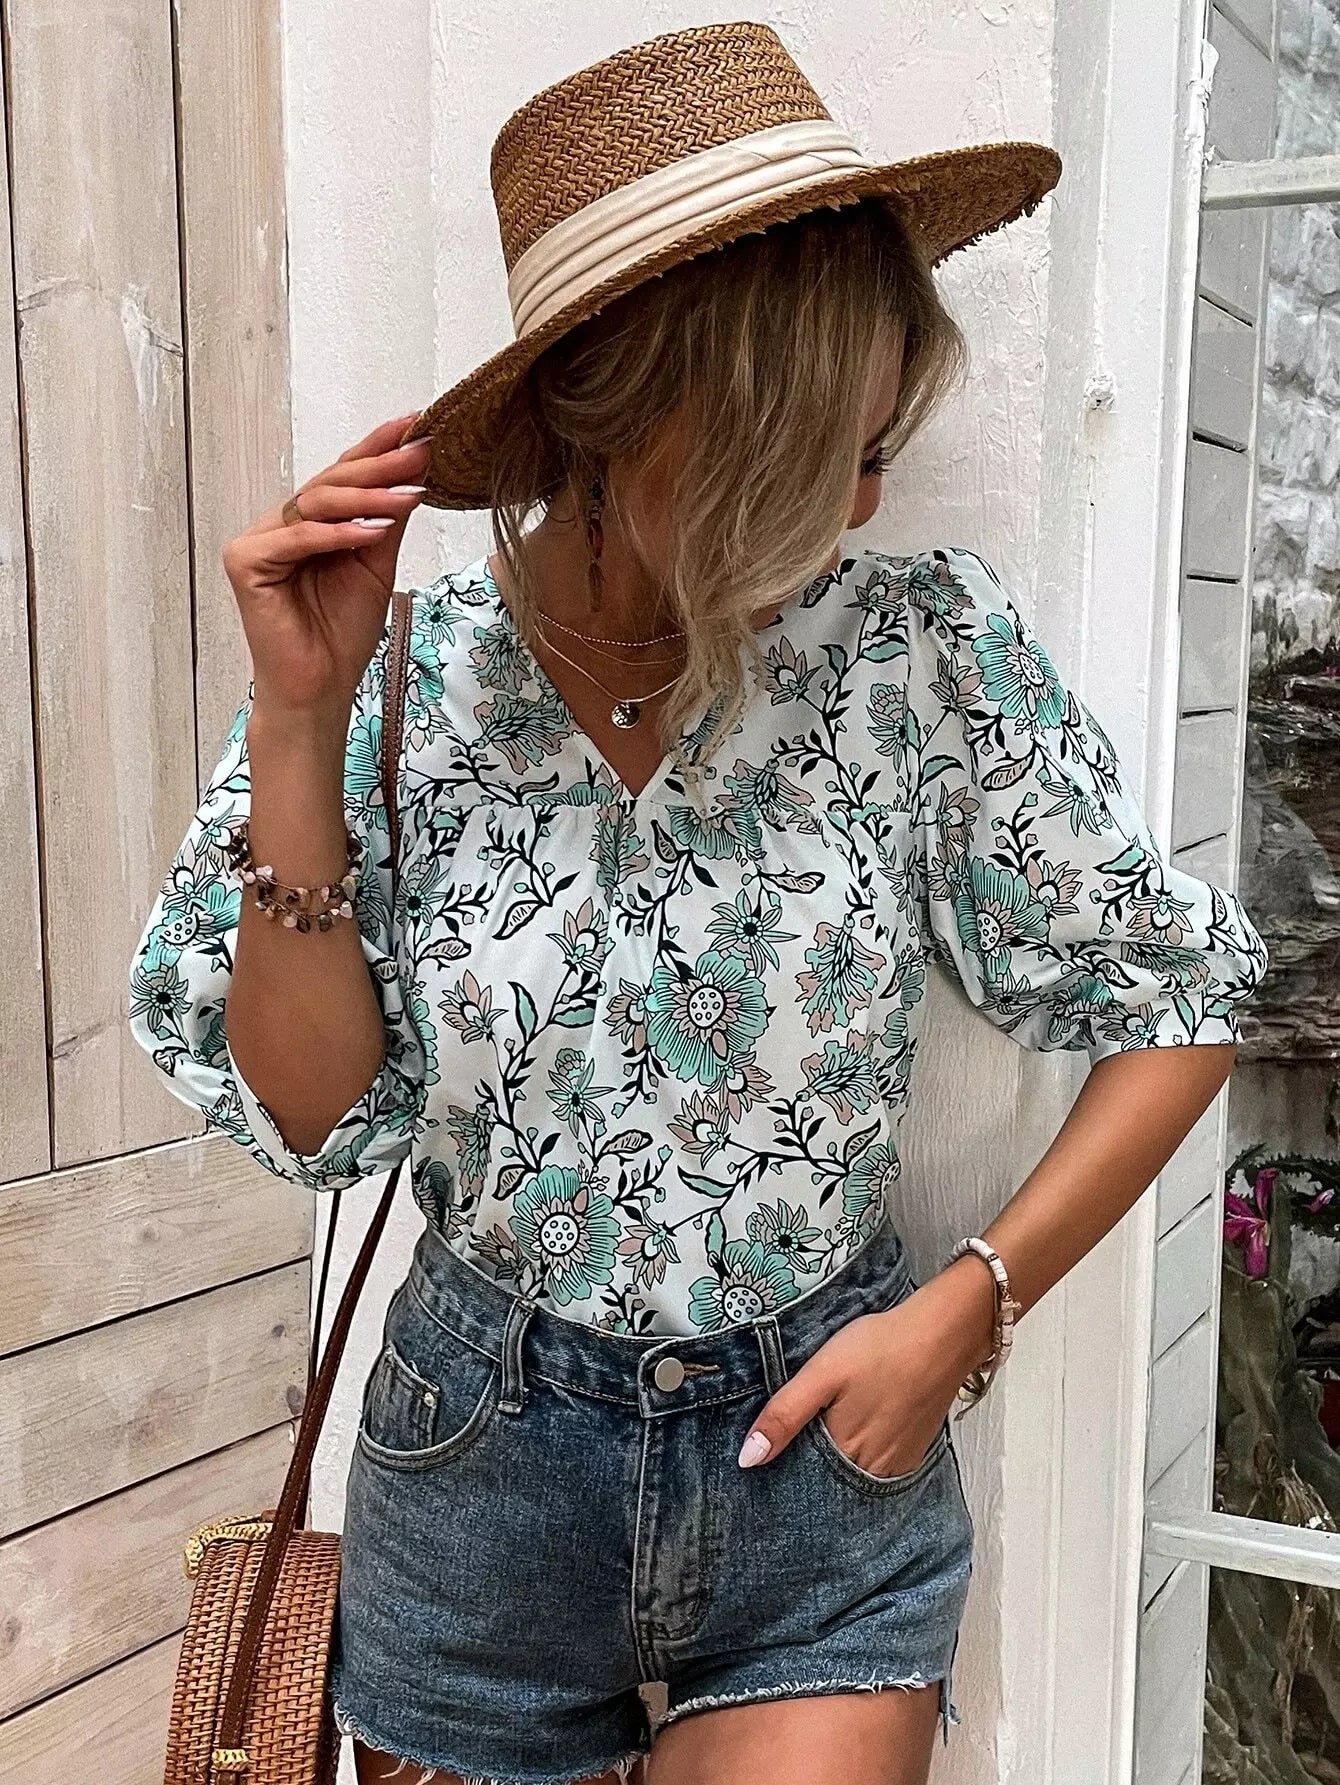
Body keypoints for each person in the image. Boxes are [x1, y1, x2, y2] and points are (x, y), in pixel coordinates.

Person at [128, 23, 1268, 1785]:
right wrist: (299, 719)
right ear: (645, 418)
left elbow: (1178, 998)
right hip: (480, 1476)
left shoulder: (913, 654)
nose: (866, 498)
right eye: (830, 448)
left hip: (817, 1472)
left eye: (883, 446)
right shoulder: (406, 681)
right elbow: (314, 1112)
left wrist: (968, 1307)